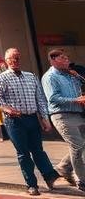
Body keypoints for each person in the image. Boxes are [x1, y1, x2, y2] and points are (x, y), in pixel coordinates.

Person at [0, 48, 61, 195]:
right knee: (23, 153)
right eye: (11, 58)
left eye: (17, 58)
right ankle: (31, 184)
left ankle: (50, 177)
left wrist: (44, 118)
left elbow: (40, 99)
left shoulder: (31, 76)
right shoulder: (1, 78)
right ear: (6, 60)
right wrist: (7, 109)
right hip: (14, 120)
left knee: (38, 150)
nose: (14, 61)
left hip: (31, 118)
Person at [43, 49, 85, 187]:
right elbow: (53, 98)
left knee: (79, 145)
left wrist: (78, 76)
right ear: (53, 60)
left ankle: (64, 168)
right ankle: (82, 180)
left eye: (67, 57)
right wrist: (75, 100)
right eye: (63, 58)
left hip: (77, 114)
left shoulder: (71, 75)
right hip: (62, 116)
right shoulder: (50, 77)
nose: (67, 59)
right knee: (78, 145)